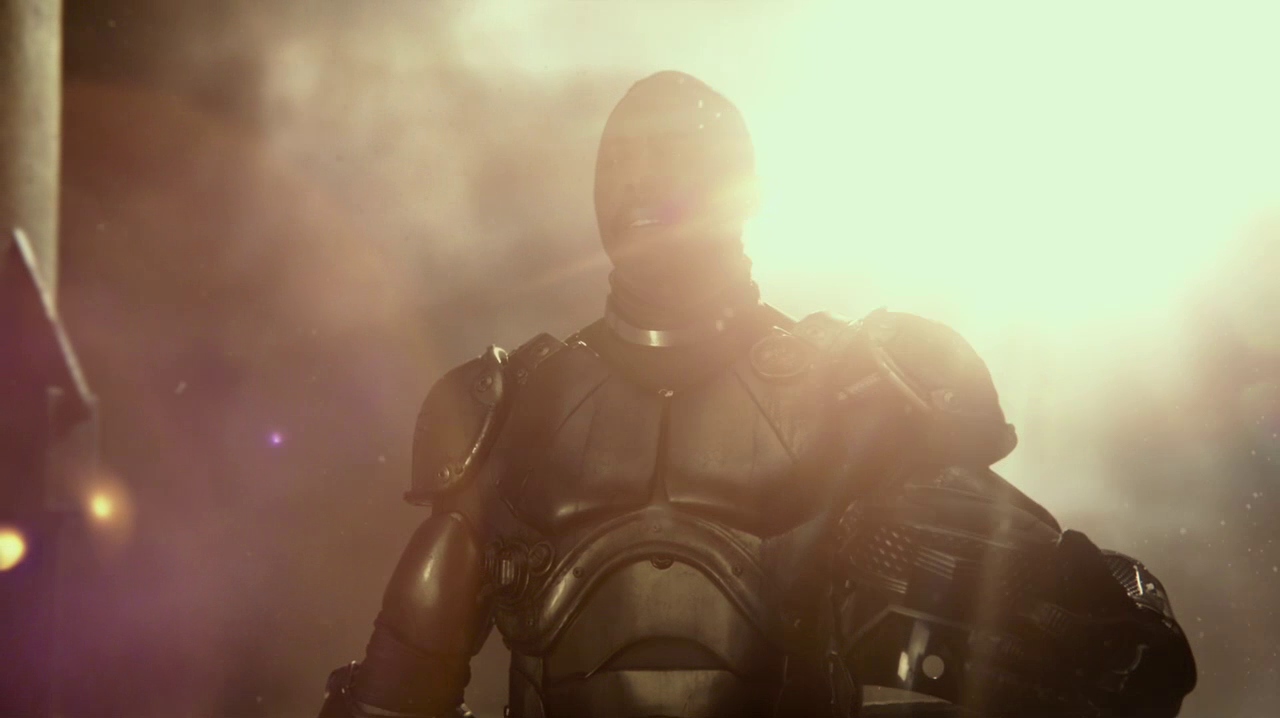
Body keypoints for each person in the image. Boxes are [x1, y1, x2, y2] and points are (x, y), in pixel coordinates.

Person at [319, 71, 1196, 718]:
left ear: (742, 189)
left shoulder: (858, 383)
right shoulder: (511, 407)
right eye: (620, 160)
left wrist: (960, 603)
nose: (639, 182)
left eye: (672, 156)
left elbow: (1108, 649)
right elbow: (398, 693)